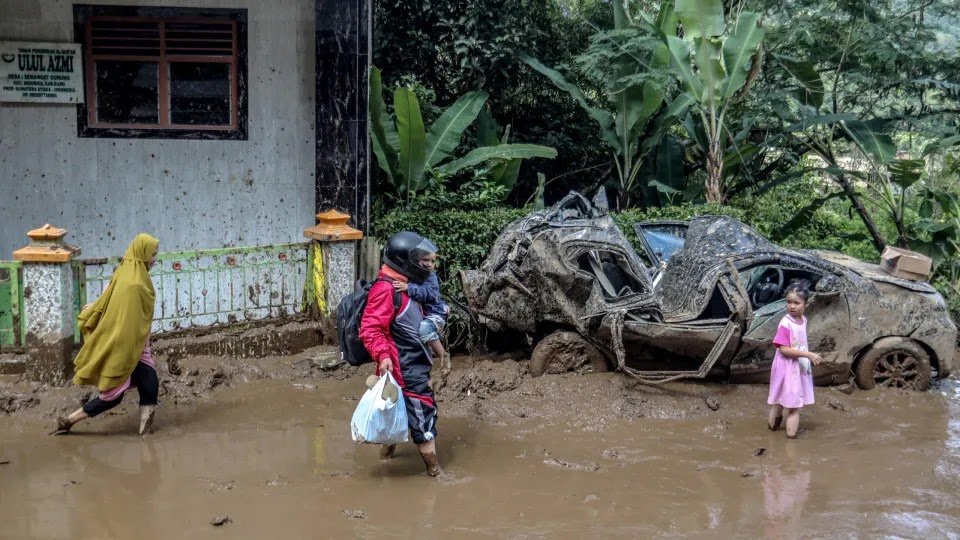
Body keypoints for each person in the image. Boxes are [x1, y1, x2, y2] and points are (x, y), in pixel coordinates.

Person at [51, 233, 160, 436]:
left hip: (137, 346)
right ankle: (68, 421)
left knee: (150, 384)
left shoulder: (125, 273)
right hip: (126, 346)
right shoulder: (134, 284)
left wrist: (93, 307)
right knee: (113, 395)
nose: (155, 259)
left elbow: (107, 298)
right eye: (152, 254)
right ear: (142, 253)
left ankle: (145, 435)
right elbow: (122, 314)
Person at [360, 231, 445, 477]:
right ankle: (436, 472)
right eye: (421, 261)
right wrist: (383, 356)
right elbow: (371, 328)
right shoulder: (386, 289)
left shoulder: (408, 283)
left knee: (392, 413)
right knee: (423, 414)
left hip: (406, 364)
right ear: (406, 262)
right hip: (404, 367)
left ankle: (386, 460)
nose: (427, 266)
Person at [767, 281, 823, 439]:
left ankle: (771, 435)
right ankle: (790, 444)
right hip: (787, 367)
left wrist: (805, 355)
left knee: (780, 400)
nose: (792, 306)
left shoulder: (803, 320)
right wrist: (808, 355)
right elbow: (783, 349)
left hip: (797, 366)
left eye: (796, 303)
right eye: (789, 302)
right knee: (793, 407)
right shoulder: (785, 323)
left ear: (806, 303)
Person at [391, 248, 450, 377]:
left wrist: (409, 288)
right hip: (426, 314)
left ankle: (442, 355)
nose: (429, 264)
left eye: (433, 261)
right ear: (416, 260)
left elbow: (430, 293)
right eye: (425, 260)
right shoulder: (414, 274)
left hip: (436, 313)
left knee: (424, 330)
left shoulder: (430, 276)